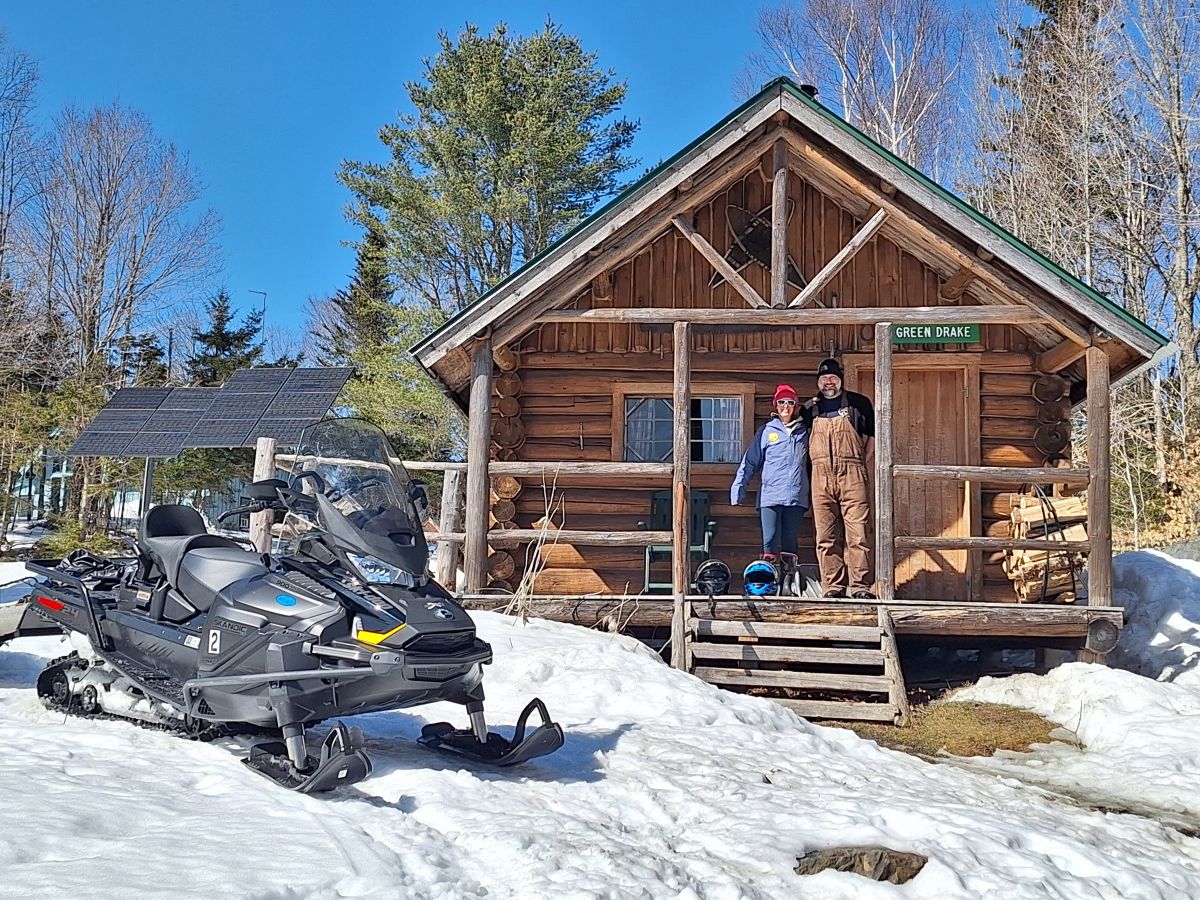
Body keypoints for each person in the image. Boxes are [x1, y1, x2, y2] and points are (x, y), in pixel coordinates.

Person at [801, 358, 876, 599]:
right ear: (818, 381)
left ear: (840, 379)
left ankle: (860, 587)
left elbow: (872, 437)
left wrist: (860, 463)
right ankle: (833, 586)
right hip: (820, 476)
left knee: (859, 533)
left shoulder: (859, 404)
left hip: (852, 473)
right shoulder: (809, 409)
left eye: (833, 377)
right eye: (824, 378)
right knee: (825, 534)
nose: (829, 381)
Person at [730, 384, 810, 560]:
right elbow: (749, 462)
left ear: (796, 406)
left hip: (796, 496)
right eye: (781, 402)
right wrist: (738, 490)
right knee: (770, 542)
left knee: (790, 543)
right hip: (770, 496)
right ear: (776, 405)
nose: (785, 406)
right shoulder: (766, 431)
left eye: (790, 402)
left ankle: (789, 583)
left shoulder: (805, 432)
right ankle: (769, 583)